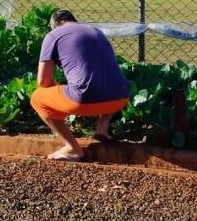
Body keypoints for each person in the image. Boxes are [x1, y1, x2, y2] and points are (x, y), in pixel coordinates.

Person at [30, 10, 129, 162]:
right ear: (74, 20)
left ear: (54, 25)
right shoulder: (96, 31)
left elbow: (43, 81)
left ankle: (72, 148)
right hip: (120, 97)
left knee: (37, 98)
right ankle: (102, 127)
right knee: (107, 80)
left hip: (83, 100)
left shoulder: (53, 35)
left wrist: (59, 103)